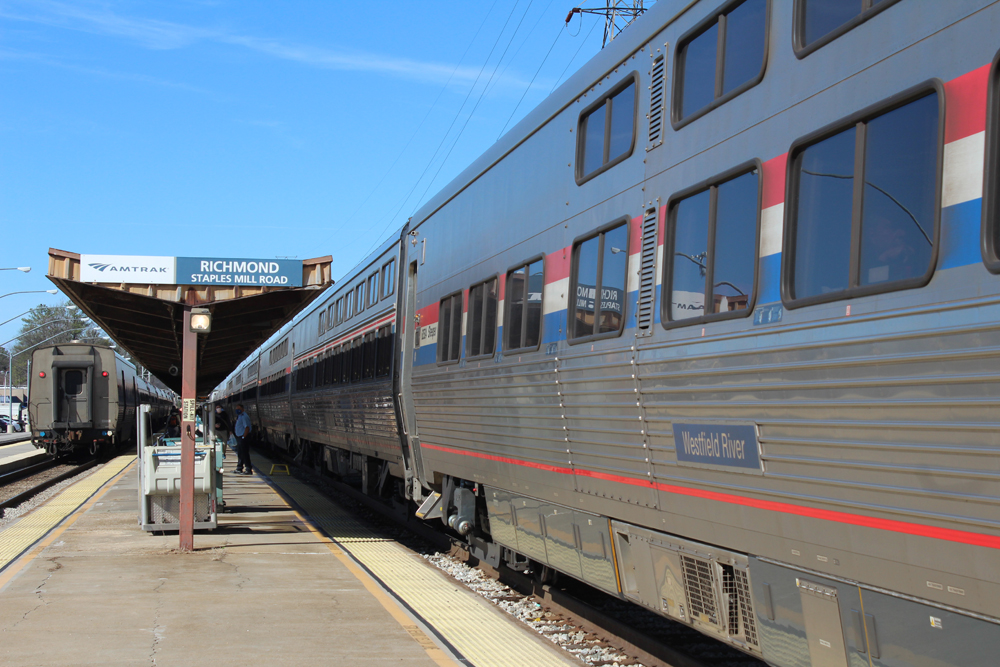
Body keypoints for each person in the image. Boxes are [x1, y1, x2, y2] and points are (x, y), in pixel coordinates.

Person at [233, 403, 253, 475]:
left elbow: (247, 427)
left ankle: (248, 469)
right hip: (240, 437)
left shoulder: (244, 416)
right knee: (240, 453)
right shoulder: (239, 416)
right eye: (236, 409)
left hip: (243, 437)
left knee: (244, 453)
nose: (237, 410)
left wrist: (244, 437)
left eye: (239, 409)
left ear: (243, 409)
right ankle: (239, 468)